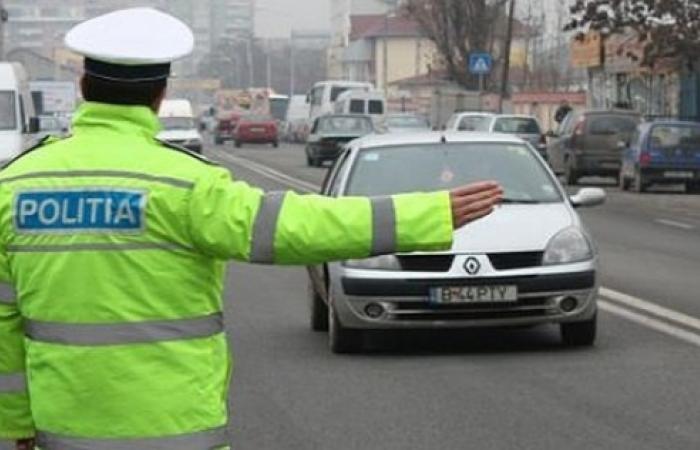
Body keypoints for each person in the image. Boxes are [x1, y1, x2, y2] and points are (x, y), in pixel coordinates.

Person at [0, 8, 502, 450]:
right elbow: (297, 226)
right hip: (176, 434)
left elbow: (4, 330)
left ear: (83, 87)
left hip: (64, 435)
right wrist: (426, 214)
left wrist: (16, 425)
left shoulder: (14, 186)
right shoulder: (187, 184)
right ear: (159, 94)